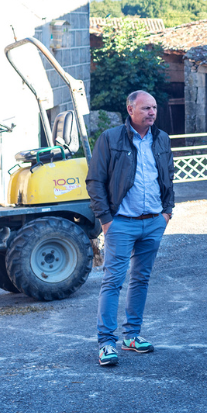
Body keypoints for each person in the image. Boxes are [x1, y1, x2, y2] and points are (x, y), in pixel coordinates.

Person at [86, 90, 175, 367]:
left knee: (141, 280)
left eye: (154, 108)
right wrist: (106, 220)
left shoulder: (161, 139)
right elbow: (95, 181)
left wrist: (167, 212)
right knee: (113, 281)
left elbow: (169, 177)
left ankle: (132, 336)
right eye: (146, 108)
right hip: (121, 223)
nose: (152, 112)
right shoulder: (111, 139)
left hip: (153, 222)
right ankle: (106, 343)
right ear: (130, 109)